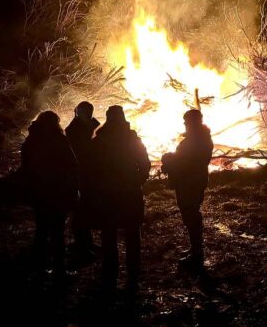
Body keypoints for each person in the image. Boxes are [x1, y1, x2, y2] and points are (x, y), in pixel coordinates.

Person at [90, 105, 151, 291]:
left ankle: (110, 275)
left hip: (107, 194)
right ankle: (133, 276)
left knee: (109, 235)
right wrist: (137, 180)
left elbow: (90, 169)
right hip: (129, 192)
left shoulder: (99, 140)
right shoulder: (132, 139)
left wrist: (97, 187)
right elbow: (145, 164)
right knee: (132, 235)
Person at [20, 111, 78, 280]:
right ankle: (59, 269)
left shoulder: (31, 141)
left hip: (39, 193)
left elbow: (25, 169)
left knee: (42, 231)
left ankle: (39, 268)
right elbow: (72, 166)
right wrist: (74, 189)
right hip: (57, 192)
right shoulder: (60, 140)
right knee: (58, 232)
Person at [161, 109, 213, 270]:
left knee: (191, 215)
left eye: (187, 122)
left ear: (193, 122)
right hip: (189, 182)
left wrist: (168, 161)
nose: (185, 124)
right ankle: (195, 249)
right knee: (190, 214)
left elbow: (186, 163)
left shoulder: (197, 141)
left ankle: (197, 253)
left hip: (190, 183)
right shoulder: (199, 139)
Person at [65, 101, 100, 257]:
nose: (90, 116)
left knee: (85, 209)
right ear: (79, 113)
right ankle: (82, 245)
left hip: (85, 174)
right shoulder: (74, 130)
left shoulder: (80, 127)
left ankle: (86, 242)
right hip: (79, 175)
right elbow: (82, 150)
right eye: (87, 113)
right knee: (80, 210)